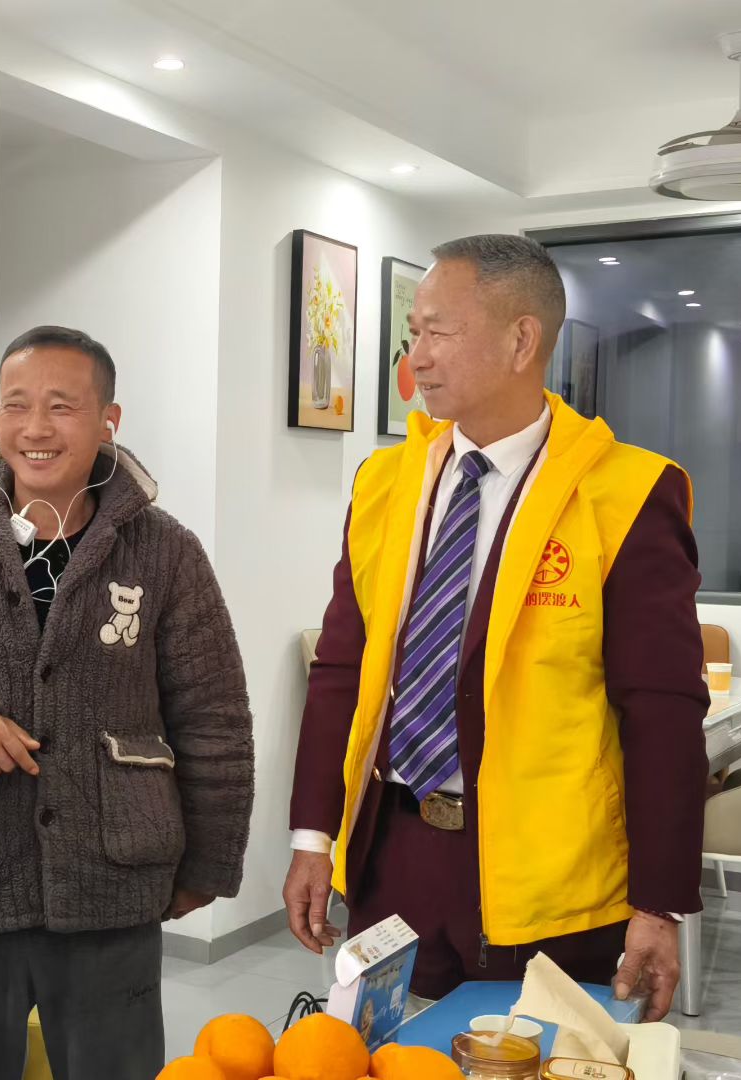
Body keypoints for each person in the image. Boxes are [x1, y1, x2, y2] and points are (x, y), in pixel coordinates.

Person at [284, 235, 709, 1021]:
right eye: (414, 332)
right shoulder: (386, 483)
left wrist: (660, 902)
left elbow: (662, 711)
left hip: (549, 878)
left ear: (521, 341)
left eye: (438, 331)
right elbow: (343, 668)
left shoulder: (625, 494)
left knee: (530, 1059)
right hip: (394, 855)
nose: (417, 356)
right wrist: (313, 838)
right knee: (393, 1063)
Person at [0, 325, 255, 1080]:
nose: (35, 428)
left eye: (62, 407)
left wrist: (209, 861)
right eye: (15, 405)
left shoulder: (165, 552)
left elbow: (214, 718)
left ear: (108, 421)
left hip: (112, 884)